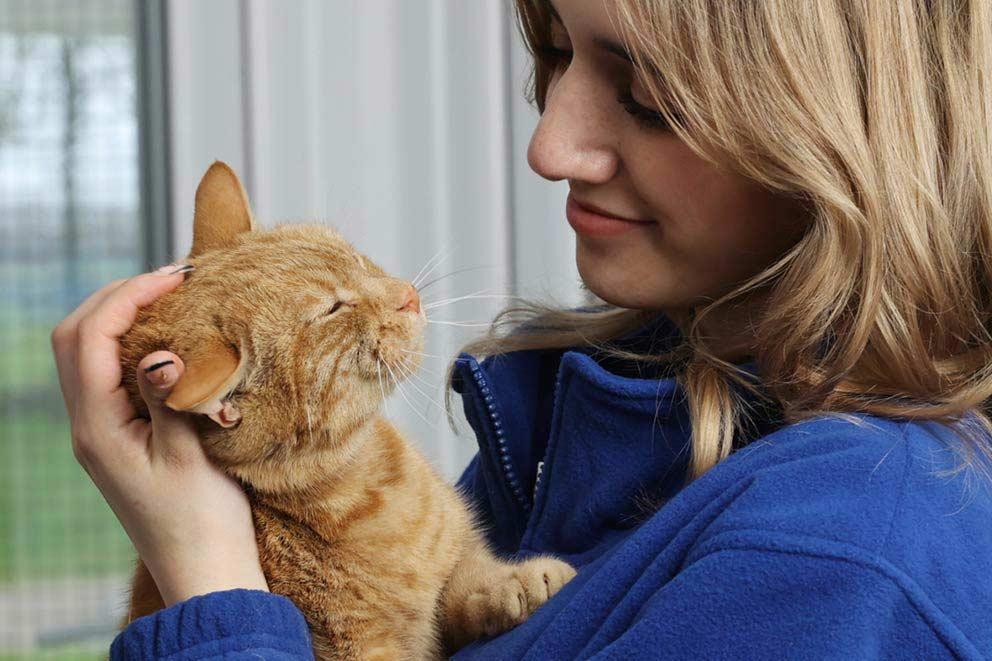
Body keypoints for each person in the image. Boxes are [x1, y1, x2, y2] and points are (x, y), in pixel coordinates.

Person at [51, 0, 992, 658]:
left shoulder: (842, 557)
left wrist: (209, 583)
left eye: (650, 92)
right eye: (553, 54)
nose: (549, 145)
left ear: (852, 127)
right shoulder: (586, 416)